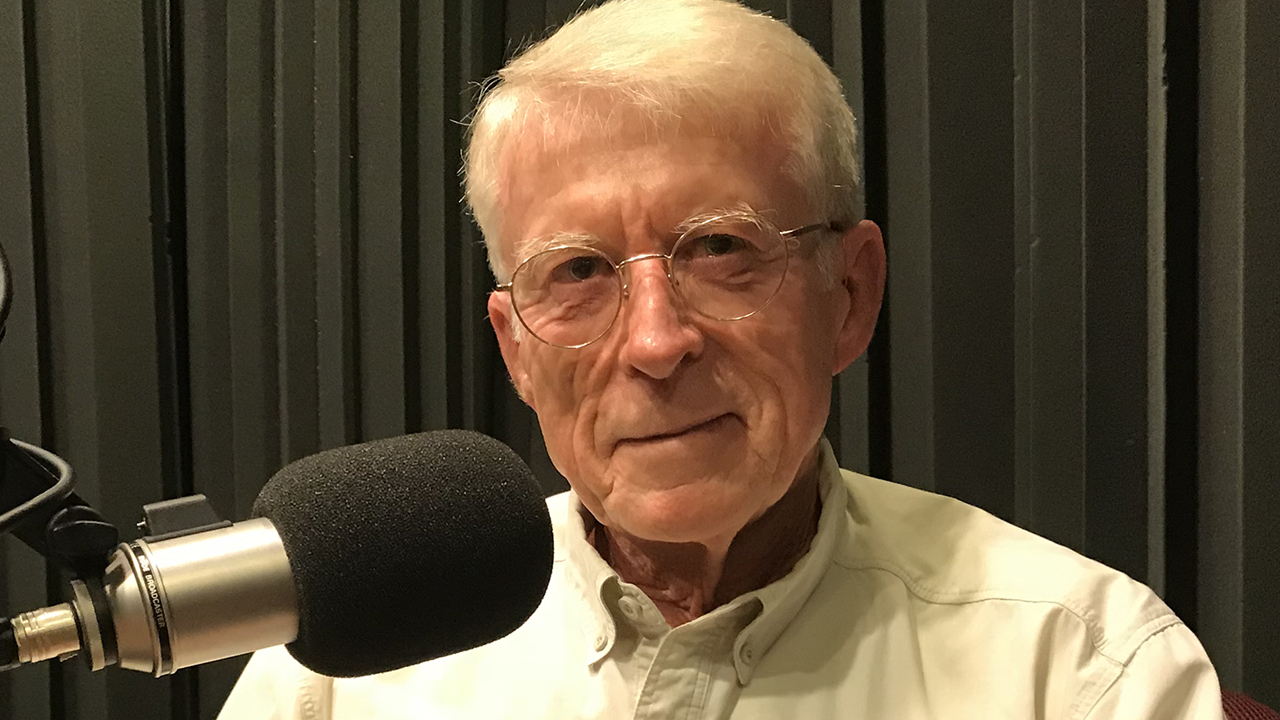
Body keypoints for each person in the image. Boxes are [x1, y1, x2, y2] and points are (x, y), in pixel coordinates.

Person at [219, 0, 1223, 717]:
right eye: (575, 271)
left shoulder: (1084, 671)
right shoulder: (340, 673)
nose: (655, 342)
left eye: (719, 249)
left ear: (850, 294)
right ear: (516, 352)